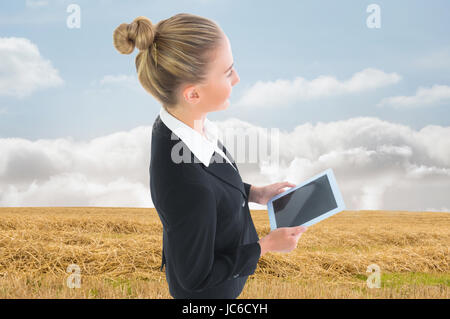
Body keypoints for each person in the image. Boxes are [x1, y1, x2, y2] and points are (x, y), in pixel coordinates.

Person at [113, 13, 308, 299]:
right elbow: (196, 279)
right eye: (228, 72)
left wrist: (254, 193)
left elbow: (211, 187)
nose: (237, 78)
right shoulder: (187, 182)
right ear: (193, 94)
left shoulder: (182, 124)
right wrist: (265, 246)